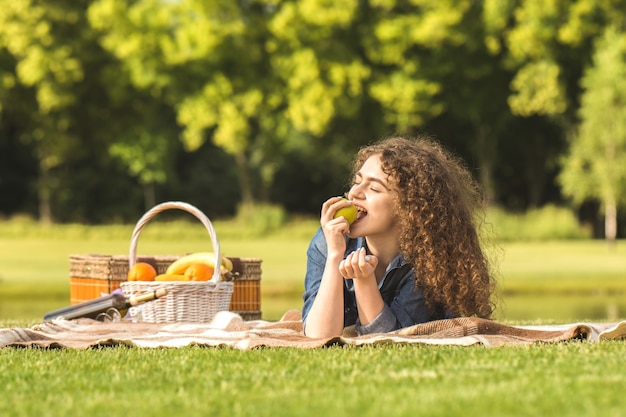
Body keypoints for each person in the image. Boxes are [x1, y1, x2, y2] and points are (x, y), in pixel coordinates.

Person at [302, 134, 496, 338]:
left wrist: (364, 282)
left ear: (408, 207)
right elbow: (318, 336)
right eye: (357, 181)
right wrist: (334, 256)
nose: (355, 193)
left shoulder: (429, 260)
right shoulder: (329, 241)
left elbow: (393, 339)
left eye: (374, 188)